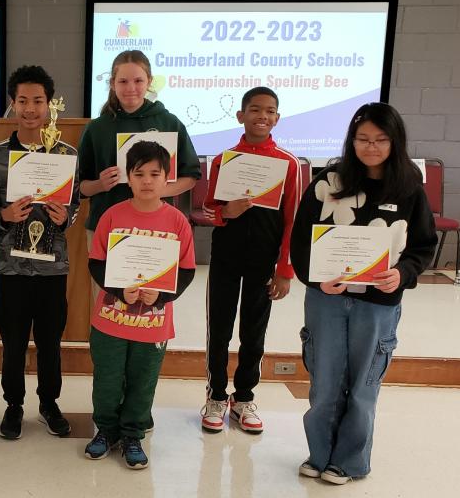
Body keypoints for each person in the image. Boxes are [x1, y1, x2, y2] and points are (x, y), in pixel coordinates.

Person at [290, 102, 437, 485]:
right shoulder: (328, 182)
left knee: (363, 386)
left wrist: (402, 274)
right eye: (362, 139)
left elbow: (423, 246)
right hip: (327, 299)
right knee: (324, 383)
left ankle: (350, 461)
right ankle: (319, 454)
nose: (370, 147)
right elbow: (300, 240)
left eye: (380, 140)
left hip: (378, 303)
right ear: (351, 140)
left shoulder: (409, 187)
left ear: (395, 141)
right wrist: (315, 278)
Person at [84, 140, 196, 470]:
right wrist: (120, 292)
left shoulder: (177, 221)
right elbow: (96, 262)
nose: (147, 180)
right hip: (110, 320)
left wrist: (160, 297)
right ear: (128, 179)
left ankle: (133, 433)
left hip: (153, 324)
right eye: (139, 173)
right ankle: (106, 430)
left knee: (143, 380)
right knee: (107, 378)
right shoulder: (111, 215)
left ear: (167, 178)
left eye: (154, 174)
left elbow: (186, 271)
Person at [0, 65, 78, 440]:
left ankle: (49, 404)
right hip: (11, 267)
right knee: (13, 341)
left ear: (49, 105)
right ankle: (13, 405)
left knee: (51, 340)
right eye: (22, 100)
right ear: (12, 104)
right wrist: (3, 215)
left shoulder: (66, 153)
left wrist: (65, 215)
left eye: (38, 100)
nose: (30, 108)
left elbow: (75, 207)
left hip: (53, 267)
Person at [200, 87, 301, 434]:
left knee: (254, 332)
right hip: (226, 257)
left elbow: (293, 221)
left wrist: (285, 271)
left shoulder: (287, 163)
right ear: (241, 115)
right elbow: (208, 209)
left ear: (277, 118)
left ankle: (243, 398)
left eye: (270, 111)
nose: (263, 116)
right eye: (255, 109)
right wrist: (225, 211)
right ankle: (215, 395)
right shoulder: (223, 159)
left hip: (263, 261)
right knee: (220, 330)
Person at [79, 49, 200, 281]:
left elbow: (191, 175)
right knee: (108, 301)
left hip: (156, 228)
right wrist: (100, 184)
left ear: (150, 82)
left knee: (153, 299)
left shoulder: (168, 122)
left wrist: (161, 190)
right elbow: (80, 186)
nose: (130, 88)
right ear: (112, 83)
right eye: (122, 81)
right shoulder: (96, 128)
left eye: (138, 80)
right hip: (107, 226)